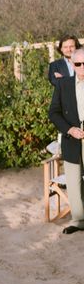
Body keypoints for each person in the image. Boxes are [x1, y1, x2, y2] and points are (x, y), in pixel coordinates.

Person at [49, 48, 84, 234]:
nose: (82, 67)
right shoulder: (63, 85)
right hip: (72, 138)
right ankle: (78, 221)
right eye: (78, 64)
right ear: (72, 64)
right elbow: (53, 112)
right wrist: (69, 129)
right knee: (73, 180)